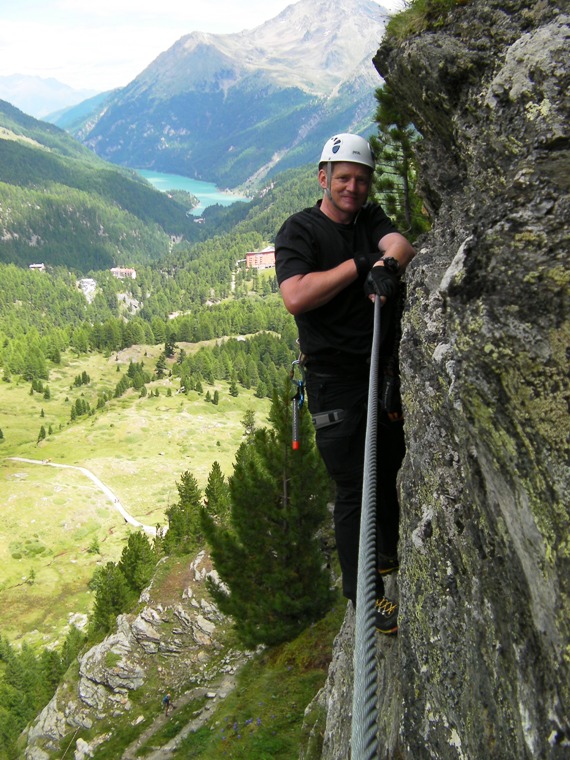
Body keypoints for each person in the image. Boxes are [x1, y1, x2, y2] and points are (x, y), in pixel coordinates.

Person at [275, 133, 416, 634]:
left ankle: (385, 555)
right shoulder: (300, 232)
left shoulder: (368, 220)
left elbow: (399, 242)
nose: (353, 188)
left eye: (360, 179)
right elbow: (296, 295)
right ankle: (365, 595)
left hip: (377, 372)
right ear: (323, 179)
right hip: (333, 381)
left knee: (391, 462)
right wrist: (360, 265)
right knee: (354, 486)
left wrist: (387, 263)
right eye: (344, 179)